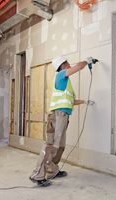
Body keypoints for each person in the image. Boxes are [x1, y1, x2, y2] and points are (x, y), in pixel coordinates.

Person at [29, 56, 96, 187]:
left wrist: (84, 102)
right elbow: (78, 67)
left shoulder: (65, 83)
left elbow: (70, 101)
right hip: (57, 115)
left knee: (60, 146)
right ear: (63, 65)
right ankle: (38, 175)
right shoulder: (60, 75)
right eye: (67, 63)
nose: (70, 65)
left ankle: (52, 170)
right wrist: (86, 61)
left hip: (63, 115)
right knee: (51, 145)